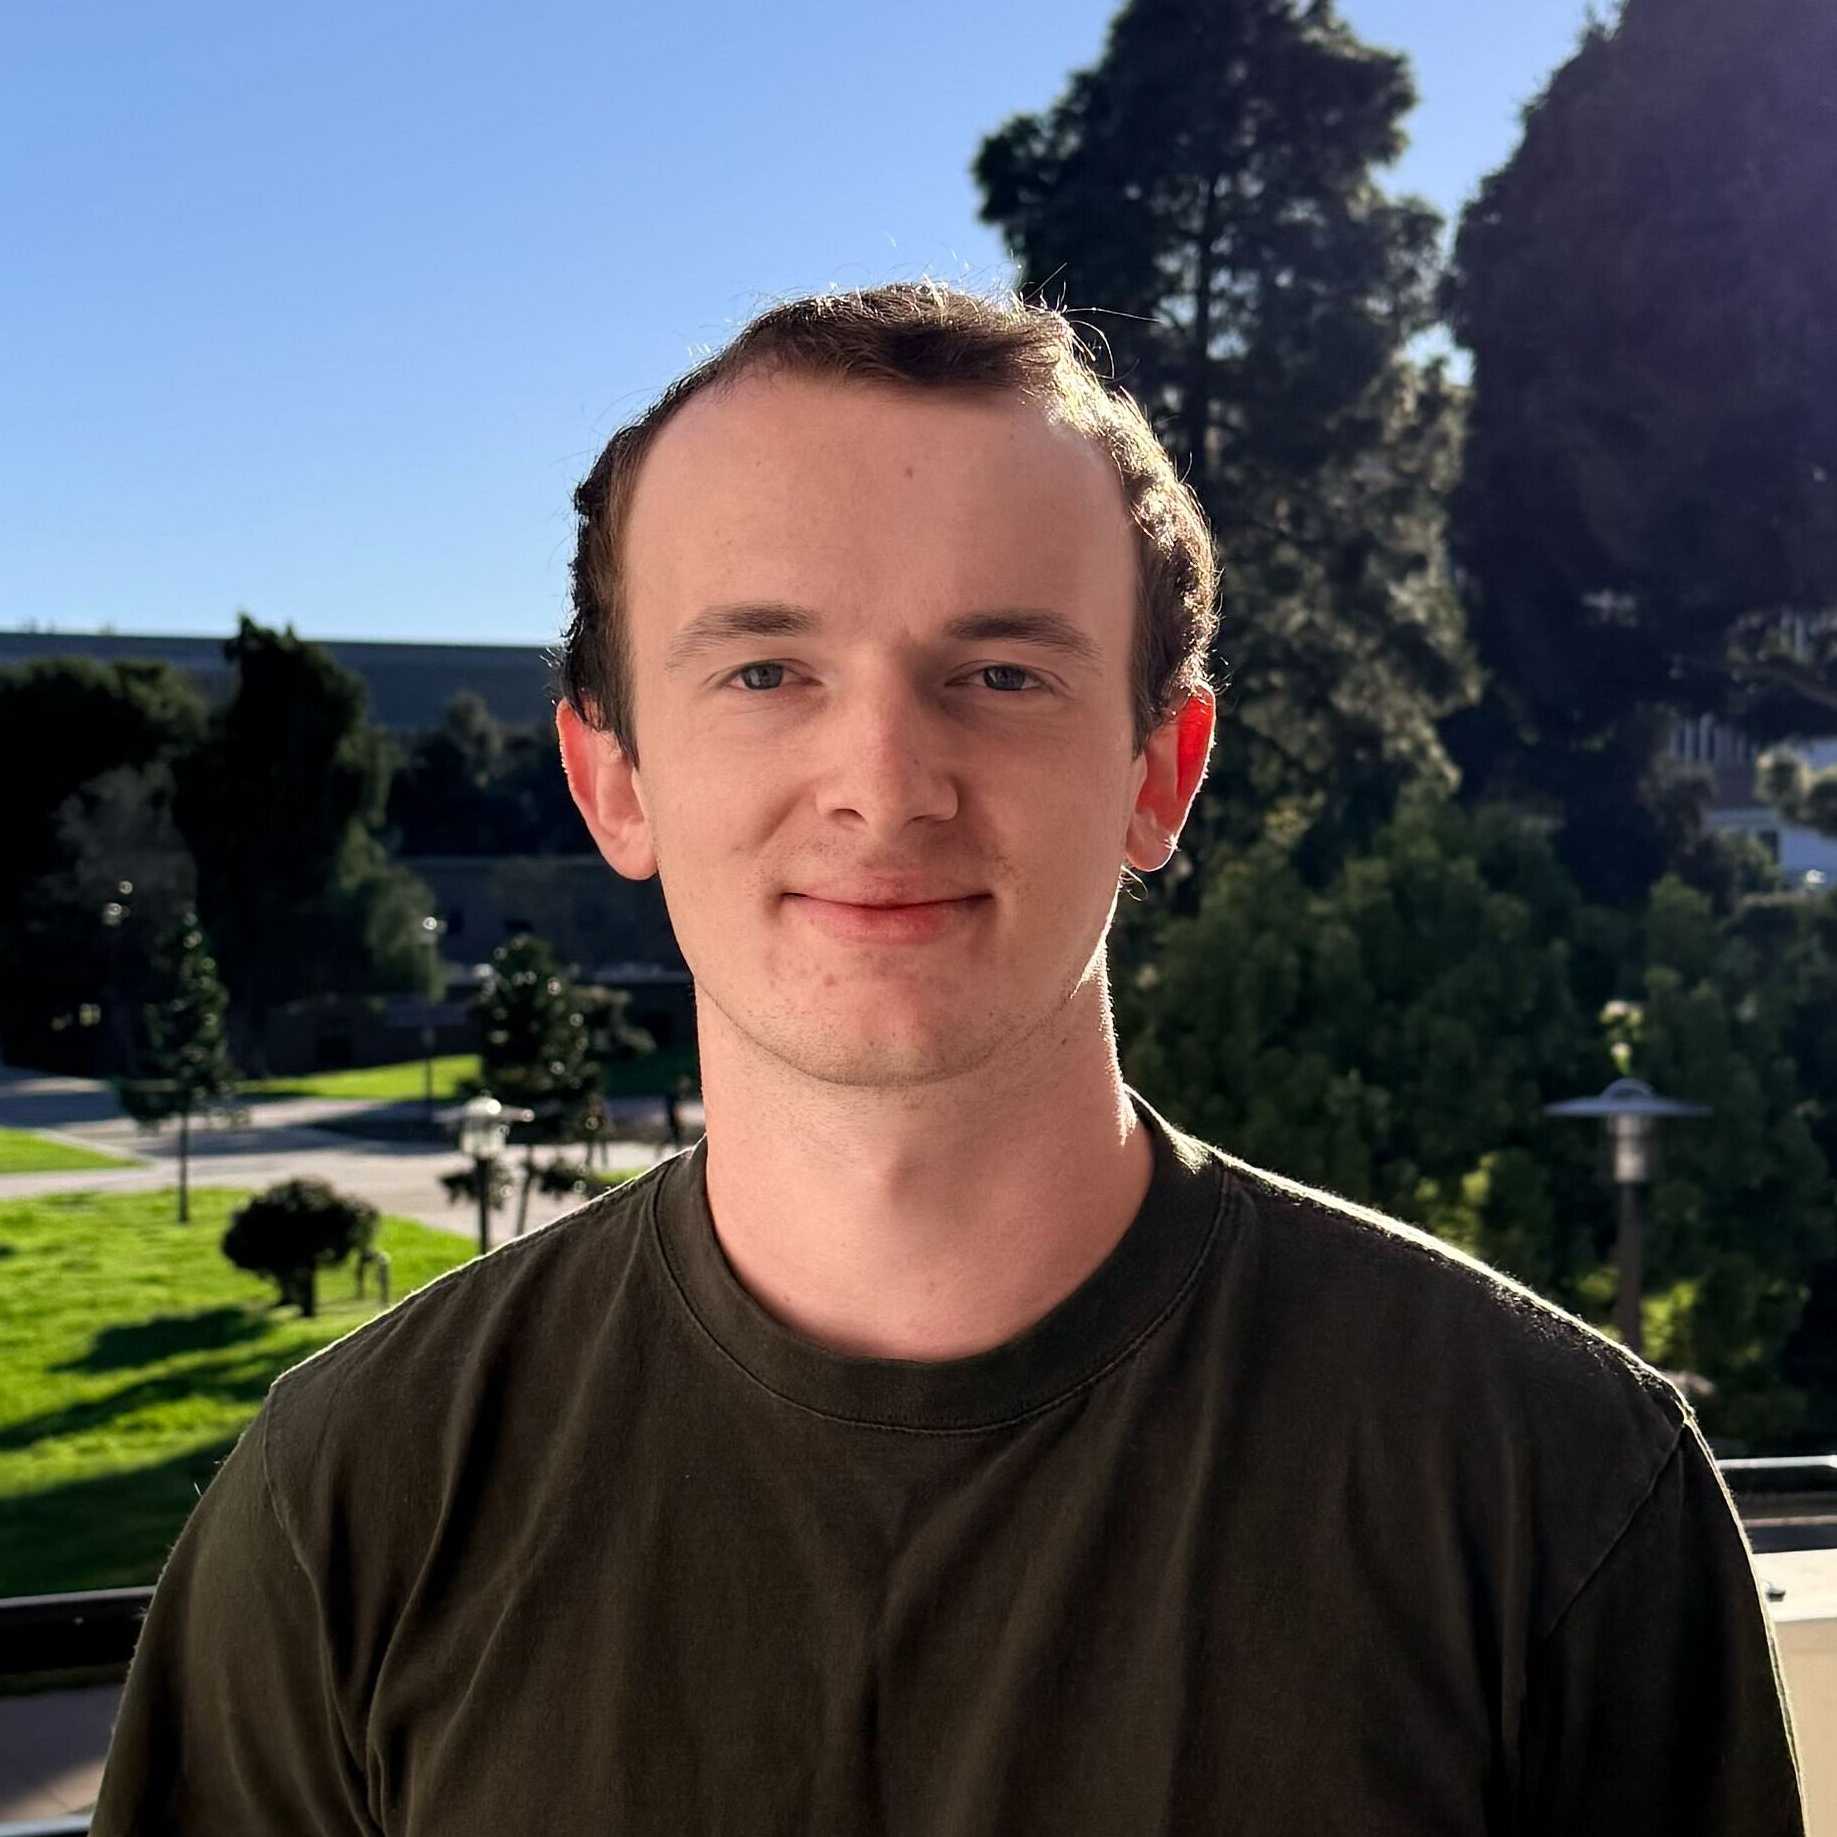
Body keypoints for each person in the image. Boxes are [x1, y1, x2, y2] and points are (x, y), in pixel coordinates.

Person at [91, 281, 1804, 1834]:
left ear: (1159, 770)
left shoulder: (1552, 1485)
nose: (884, 784)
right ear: (613, 778)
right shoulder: (349, 1504)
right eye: (766, 669)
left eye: (997, 671)